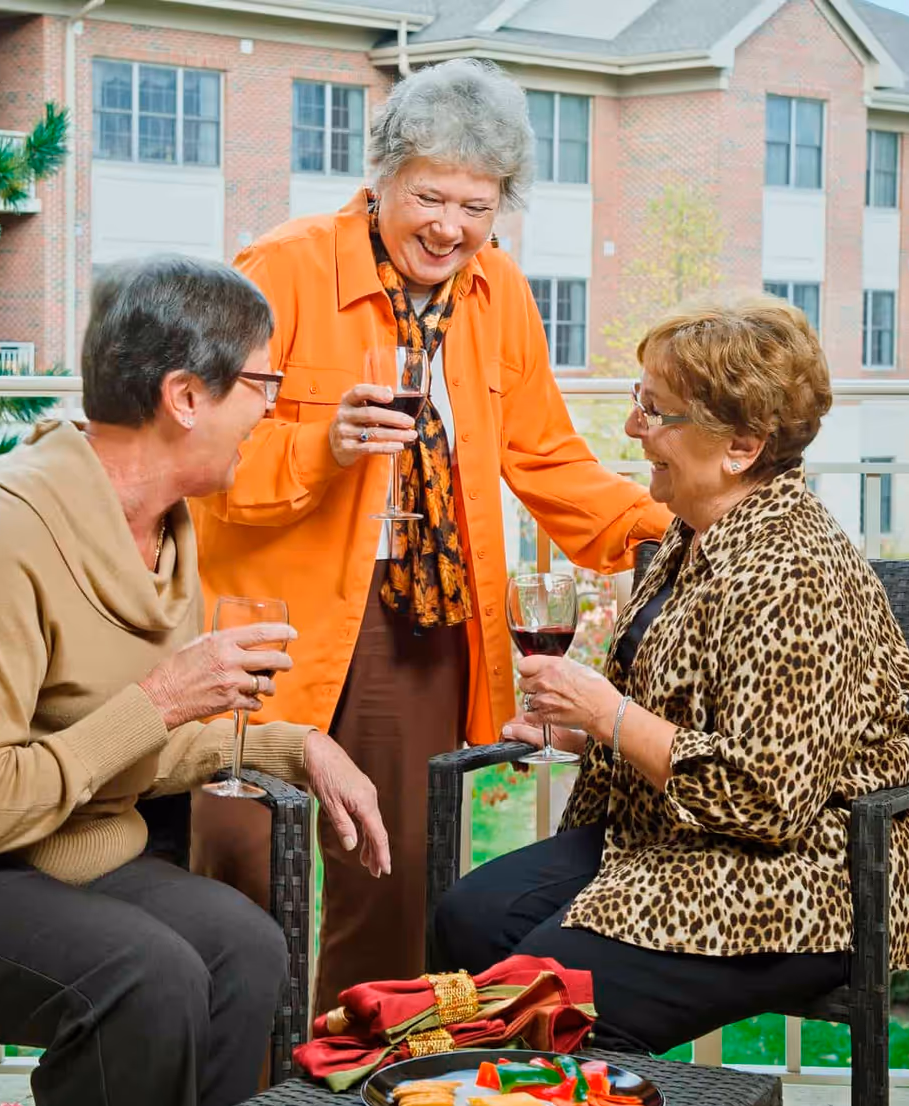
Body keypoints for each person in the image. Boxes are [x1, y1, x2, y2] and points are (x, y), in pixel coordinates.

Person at [0, 258, 389, 1106]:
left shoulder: (165, 531)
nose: (271, 410)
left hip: (45, 847)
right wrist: (161, 697)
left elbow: (116, 743)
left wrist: (295, 745)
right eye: (262, 382)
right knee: (144, 978)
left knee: (246, 948)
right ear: (185, 396)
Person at [190, 58, 671, 1013]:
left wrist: (677, 530)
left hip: (417, 620)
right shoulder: (280, 269)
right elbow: (201, 447)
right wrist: (323, 446)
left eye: (479, 206)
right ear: (382, 178)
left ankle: (352, 1069)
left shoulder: (498, 294)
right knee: (240, 870)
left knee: (390, 872)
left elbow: (549, 462)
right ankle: (233, 1081)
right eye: (430, 195)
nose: (451, 226)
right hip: (266, 619)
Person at [432, 295, 909, 1054]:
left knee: (540, 1001)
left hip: (802, 877)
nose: (635, 427)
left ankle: (554, 1085)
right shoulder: (691, 533)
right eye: (642, 402)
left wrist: (611, 718)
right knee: (467, 918)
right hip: (669, 838)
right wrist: (585, 732)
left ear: (741, 445)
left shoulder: (792, 569)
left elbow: (767, 797)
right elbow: (685, 712)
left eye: (657, 412)